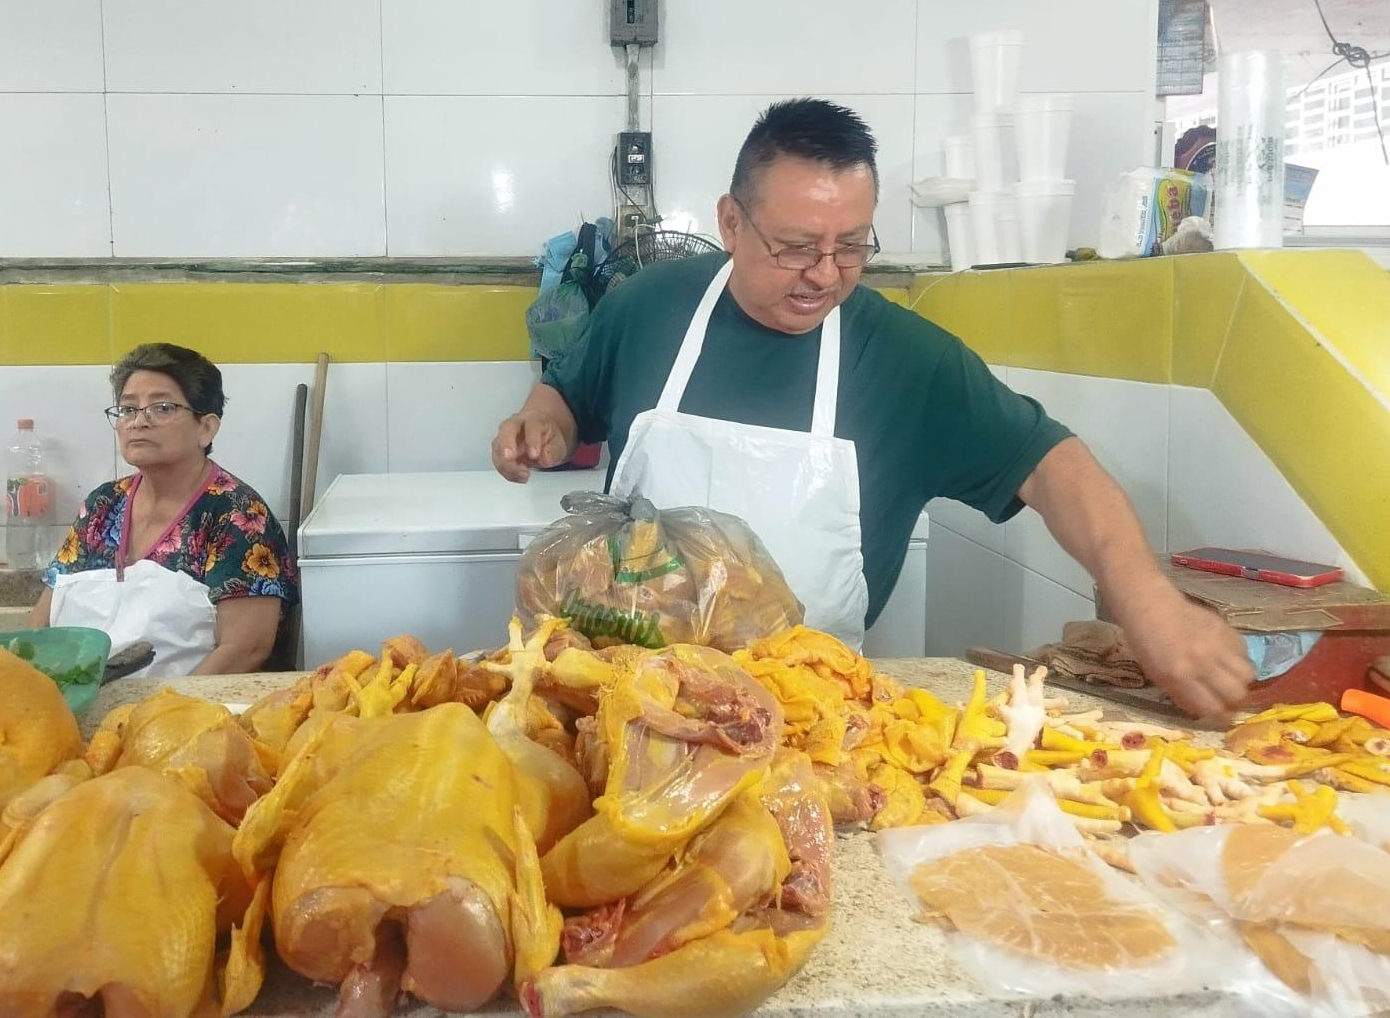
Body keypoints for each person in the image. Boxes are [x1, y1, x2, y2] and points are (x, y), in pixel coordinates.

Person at [491, 99, 1253, 720]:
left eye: (851, 246)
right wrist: (541, 424)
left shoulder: (904, 359)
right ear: (731, 222)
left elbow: (1054, 467)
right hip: (625, 707)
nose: (825, 275)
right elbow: (566, 397)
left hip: (810, 724)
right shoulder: (649, 307)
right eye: (795, 247)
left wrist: (1146, 601)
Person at [28, 342, 299, 676]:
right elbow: (41, 621)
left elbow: (246, 649)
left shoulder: (237, 515)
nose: (138, 422)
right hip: (82, 700)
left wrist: (163, 704)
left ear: (206, 428)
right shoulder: (102, 505)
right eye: (128, 409)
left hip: (188, 704)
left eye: (162, 408)